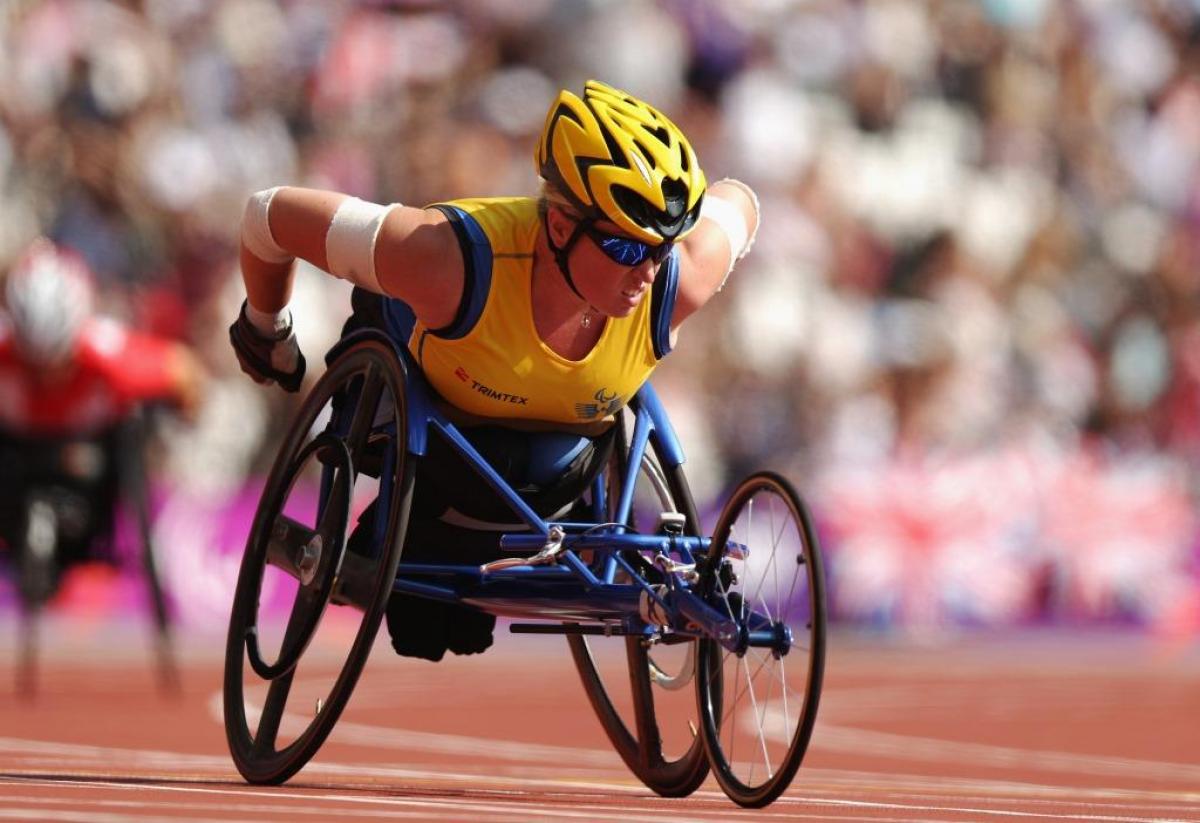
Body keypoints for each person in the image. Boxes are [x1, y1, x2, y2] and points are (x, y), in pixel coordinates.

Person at [230, 79, 759, 661]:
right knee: (427, 627)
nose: (649, 271)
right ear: (561, 226)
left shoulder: (679, 280)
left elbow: (740, 200)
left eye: (661, 247)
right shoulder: (443, 259)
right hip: (433, 456)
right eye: (629, 249)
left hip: (559, 477)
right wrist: (266, 327)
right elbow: (268, 214)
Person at [0, 237, 206, 587]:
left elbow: (184, 370)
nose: (46, 378)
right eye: (33, 366)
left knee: (132, 432)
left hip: (89, 467)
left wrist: (184, 418)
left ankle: (140, 539)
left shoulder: (108, 357)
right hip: (14, 459)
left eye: (57, 365)